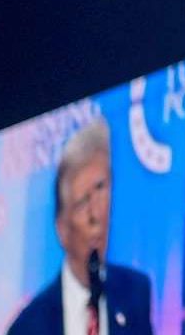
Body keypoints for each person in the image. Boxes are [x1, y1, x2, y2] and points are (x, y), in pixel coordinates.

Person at [8, 120, 154, 335]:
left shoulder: (135, 291)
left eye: (101, 188)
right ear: (61, 229)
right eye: (82, 202)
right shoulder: (28, 326)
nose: (96, 215)